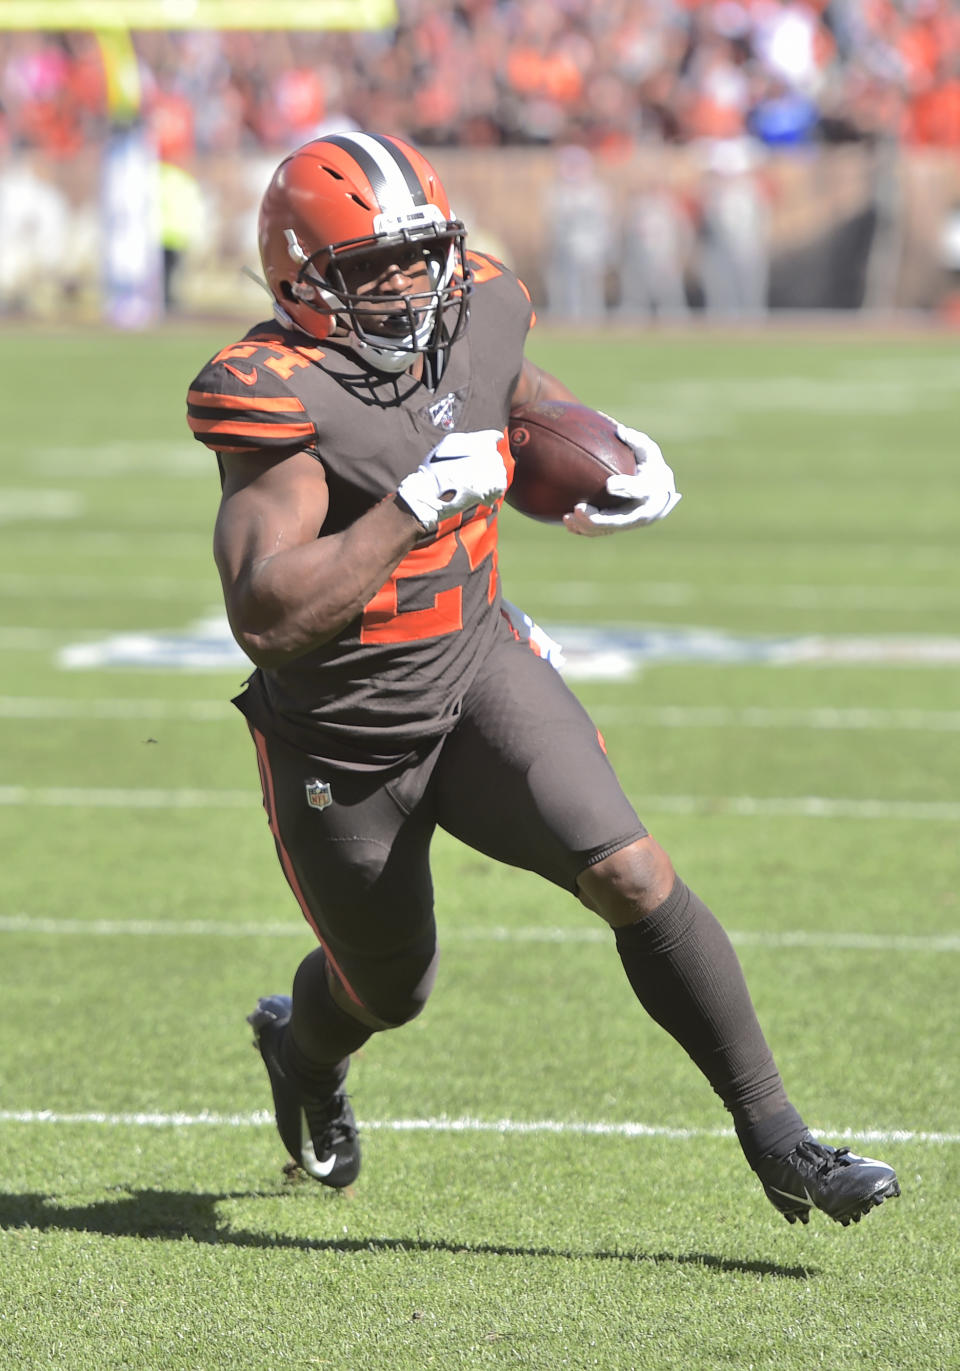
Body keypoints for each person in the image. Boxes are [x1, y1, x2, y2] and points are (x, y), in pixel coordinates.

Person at [186, 131, 899, 1227]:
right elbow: (268, 615)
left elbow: (511, 410)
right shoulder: (277, 394)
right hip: (344, 736)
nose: (408, 285)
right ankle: (303, 1049)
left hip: (476, 672)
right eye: (371, 267)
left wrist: (602, 455)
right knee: (390, 987)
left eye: (418, 255)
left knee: (631, 873)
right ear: (300, 277)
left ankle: (782, 1137)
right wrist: (411, 505)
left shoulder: (477, 303)